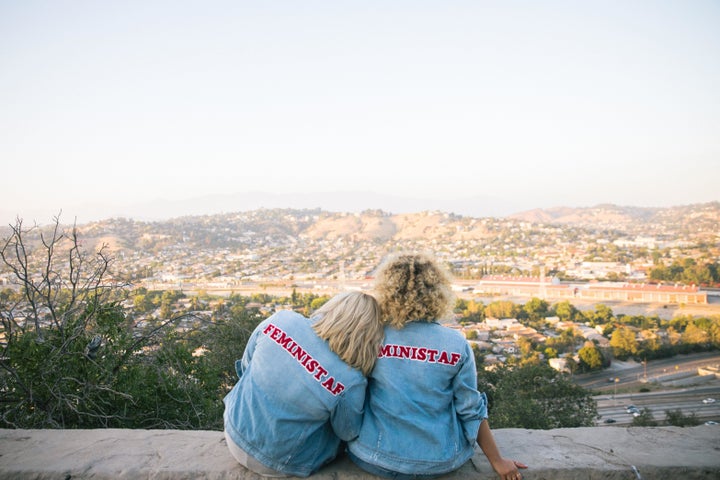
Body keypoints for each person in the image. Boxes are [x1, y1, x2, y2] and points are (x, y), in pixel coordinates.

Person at [347, 253, 527, 480]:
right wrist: (498, 461)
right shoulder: (456, 344)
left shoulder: (372, 336)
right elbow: (470, 409)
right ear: (437, 291)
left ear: (387, 291)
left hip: (374, 456)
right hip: (438, 461)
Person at [223, 291, 383, 477]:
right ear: (369, 335)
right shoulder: (351, 380)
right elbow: (348, 432)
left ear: (332, 308)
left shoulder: (282, 321)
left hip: (233, 431)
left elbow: (246, 365)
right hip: (281, 464)